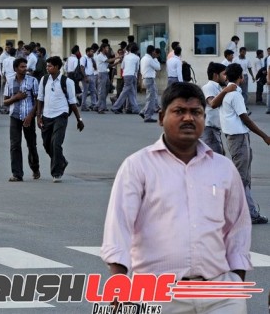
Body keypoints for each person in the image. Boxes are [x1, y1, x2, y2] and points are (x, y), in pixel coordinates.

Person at [101, 82, 252, 314]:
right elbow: (118, 228)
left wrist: (237, 281)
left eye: (196, 112)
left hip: (219, 294)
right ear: (162, 117)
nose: (188, 118)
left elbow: (238, 229)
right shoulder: (137, 166)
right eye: (179, 111)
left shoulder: (224, 168)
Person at [217, 63, 270, 224]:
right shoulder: (235, 95)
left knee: (243, 177)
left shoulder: (227, 92)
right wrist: (264, 136)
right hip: (238, 138)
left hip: (236, 137)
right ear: (241, 77)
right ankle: (243, 213)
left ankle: (245, 211)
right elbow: (245, 118)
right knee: (242, 178)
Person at [36, 56, 84, 182]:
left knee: (56, 144)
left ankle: (56, 172)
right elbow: (40, 98)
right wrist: (38, 116)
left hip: (61, 115)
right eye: (47, 66)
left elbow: (72, 102)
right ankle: (61, 161)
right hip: (46, 116)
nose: (47, 68)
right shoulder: (44, 79)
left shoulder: (67, 82)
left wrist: (79, 119)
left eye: (50, 66)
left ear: (57, 67)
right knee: (47, 145)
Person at [3, 58, 40, 181]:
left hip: (28, 117)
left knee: (31, 145)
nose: (25, 69)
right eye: (22, 67)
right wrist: (16, 97)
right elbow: (5, 101)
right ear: (15, 68)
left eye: (25, 66)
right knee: (15, 145)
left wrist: (31, 116)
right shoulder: (9, 81)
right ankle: (17, 174)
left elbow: (38, 101)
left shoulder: (32, 81)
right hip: (15, 117)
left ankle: (35, 168)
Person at [139, 45, 161, 123]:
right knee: (151, 99)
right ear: (152, 52)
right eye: (154, 52)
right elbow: (158, 67)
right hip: (150, 79)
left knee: (151, 97)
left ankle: (143, 111)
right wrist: (155, 58)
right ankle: (148, 116)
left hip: (145, 78)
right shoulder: (150, 59)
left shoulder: (143, 58)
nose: (155, 53)